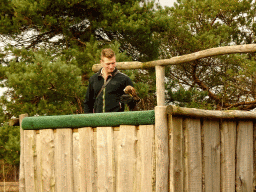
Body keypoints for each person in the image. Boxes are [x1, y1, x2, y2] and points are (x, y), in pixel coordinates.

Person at [83, 48, 139, 113]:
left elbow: (134, 104)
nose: (111, 66)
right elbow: (88, 102)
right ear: (101, 62)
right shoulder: (93, 79)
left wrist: (131, 100)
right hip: (97, 119)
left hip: (115, 119)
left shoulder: (124, 79)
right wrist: (88, 121)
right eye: (108, 64)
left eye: (113, 63)